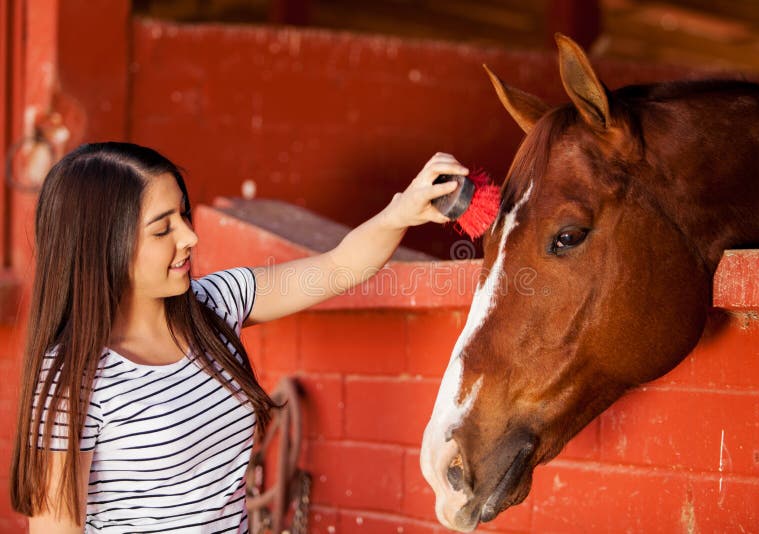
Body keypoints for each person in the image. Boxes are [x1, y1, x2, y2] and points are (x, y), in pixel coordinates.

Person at [10, 142, 465, 533]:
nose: (189, 237)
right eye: (162, 229)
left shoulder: (216, 305)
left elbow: (338, 268)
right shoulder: (74, 378)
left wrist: (402, 210)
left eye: (184, 215)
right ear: (100, 244)